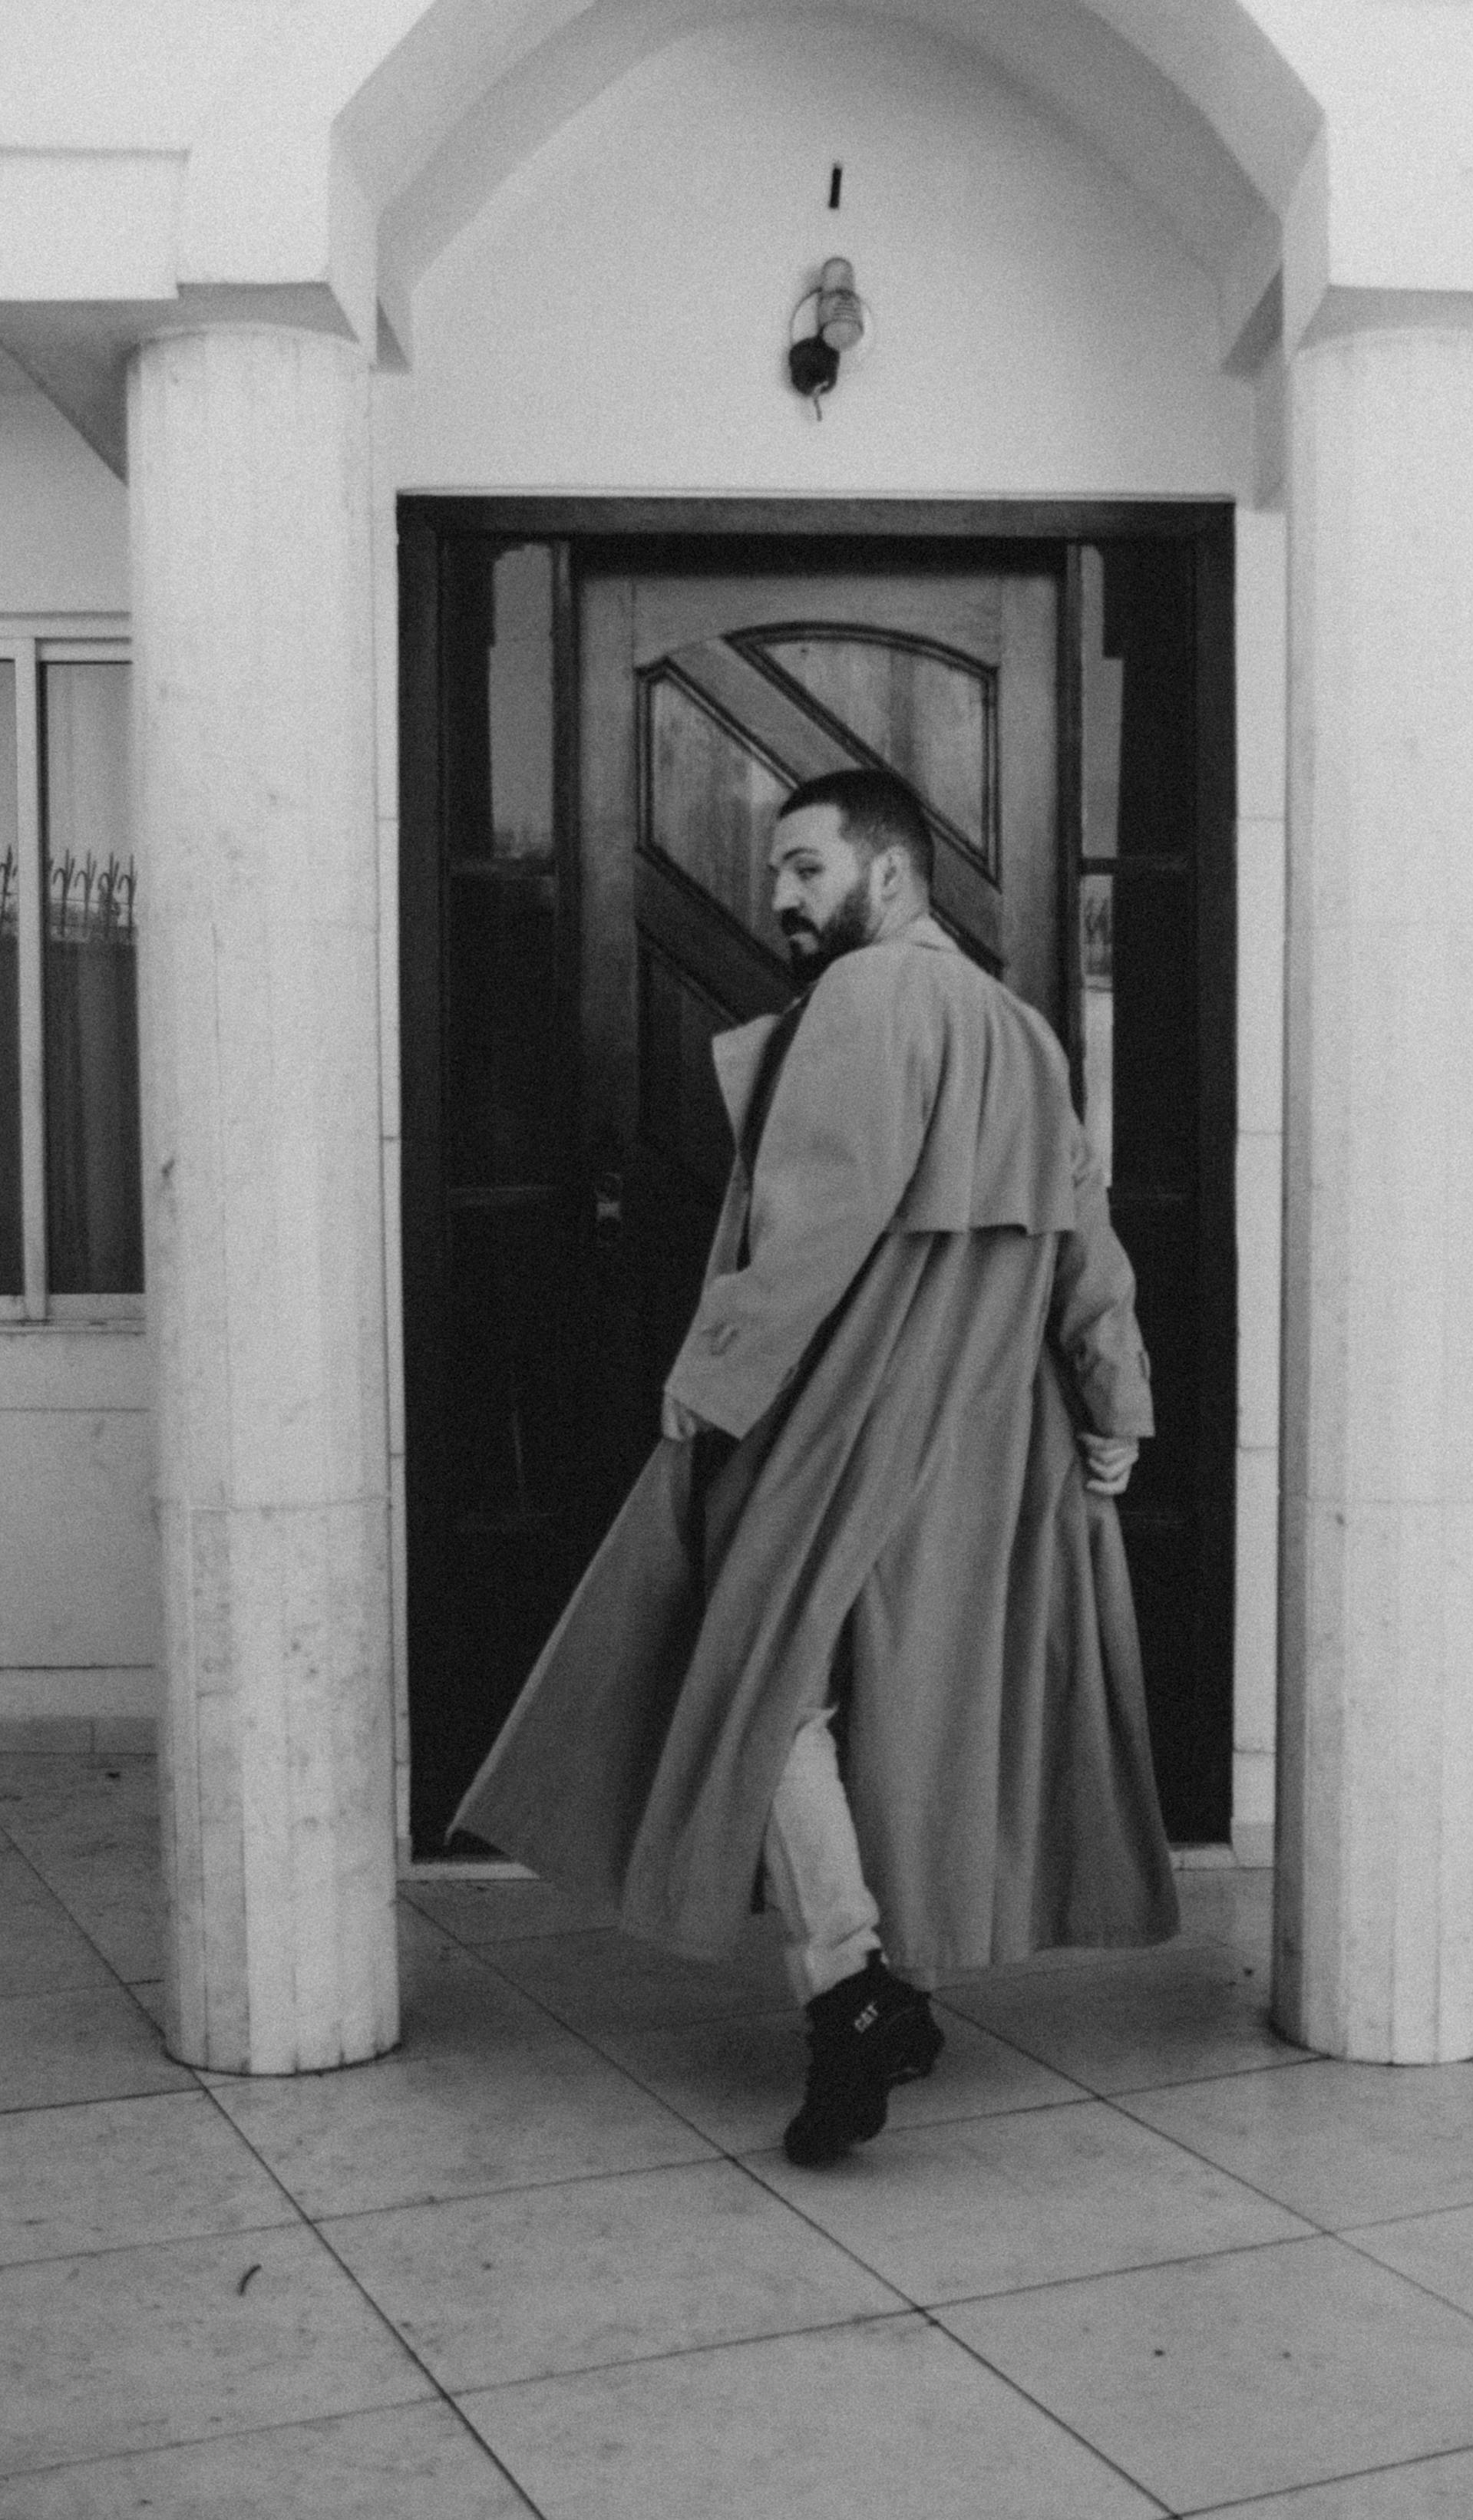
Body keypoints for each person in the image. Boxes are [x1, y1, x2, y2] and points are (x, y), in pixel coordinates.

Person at [453, 767, 1178, 2166]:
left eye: (802, 869)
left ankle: (849, 1984)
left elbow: (812, 1226)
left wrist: (706, 1388)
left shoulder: (864, 1001)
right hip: (993, 1428)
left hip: (849, 1413)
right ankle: (864, 1983)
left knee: (761, 1684)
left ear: (891, 875)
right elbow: (1088, 1247)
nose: (776, 898)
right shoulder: (1022, 1030)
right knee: (888, 1701)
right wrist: (1115, 1412)